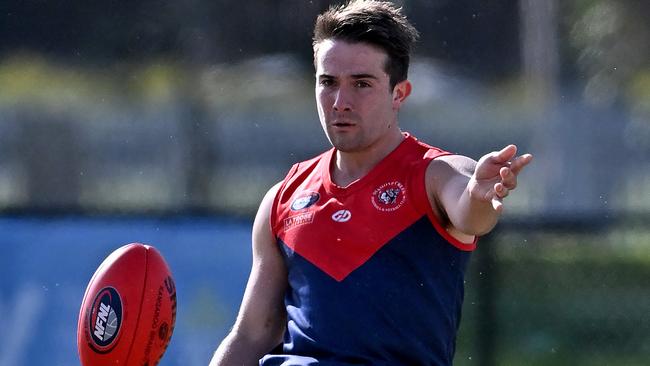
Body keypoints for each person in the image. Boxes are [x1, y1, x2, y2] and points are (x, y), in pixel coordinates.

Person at [210, 1, 533, 365]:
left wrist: (478, 194)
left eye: (361, 84)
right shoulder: (283, 198)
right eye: (328, 82)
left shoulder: (434, 175)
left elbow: (471, 213)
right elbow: (252, 333)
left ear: (399, 94)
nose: (340, 102)